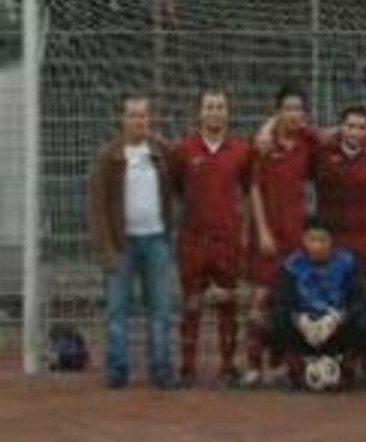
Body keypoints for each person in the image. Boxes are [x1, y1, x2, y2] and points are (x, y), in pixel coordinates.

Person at [88, 93, 176, 389]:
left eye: (143, 115)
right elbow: (98, 207)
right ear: (122, 119)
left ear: (149, 119)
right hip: (121, 244)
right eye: (133, 115)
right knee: (117, 311)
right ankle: (117, 370)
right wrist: (106, 249)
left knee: (160, 309)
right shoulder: (108, 156)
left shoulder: (162, 152)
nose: (139, 120)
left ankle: (160, 369)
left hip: (156, 241)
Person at [169, 89, 251, 387]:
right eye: (209, 107)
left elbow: (248, 191)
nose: (214, 112)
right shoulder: (183, 150)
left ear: (227, 113)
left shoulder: (241, 150)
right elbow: (178, 188)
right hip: (193, 239)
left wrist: (241, 230)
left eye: (220, 107)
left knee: (227, 305)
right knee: (192, 304)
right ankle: (187, 368)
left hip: (226, 240)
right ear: (200, 112)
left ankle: (228, 367)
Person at [245, 84, 318, 387]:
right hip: (268, 235)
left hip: (295, 234)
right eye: (287, 108)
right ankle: (252, 364)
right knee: (260, 298)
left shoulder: (306, 142)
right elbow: (253, 188)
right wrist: (262, 229)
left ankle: (285, 363)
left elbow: (330, 136)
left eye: (298, 109)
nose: (293, 114)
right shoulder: (264, 145)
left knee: (290, 299)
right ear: (277, 112)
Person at [267, 218, 366, 390]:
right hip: (306, 330)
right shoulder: (291, 265)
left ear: (331, 242)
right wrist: (300, 320)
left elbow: (361, 300)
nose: (317, 246)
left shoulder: (348, 263)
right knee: (272, 322)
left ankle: (348, 364)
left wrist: (338, 318)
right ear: (304, 240)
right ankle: (295, 364)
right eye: (312, 240)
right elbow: (282, 302)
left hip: (336, 328)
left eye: (322, 240)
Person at [315, 105, 366, 280]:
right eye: (350, 126)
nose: (355, 132)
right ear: (341, 127)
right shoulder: (322, 152)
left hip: (364, 234)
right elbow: (300, 135)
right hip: (332, 233)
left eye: (361, 128)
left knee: (365, 283)